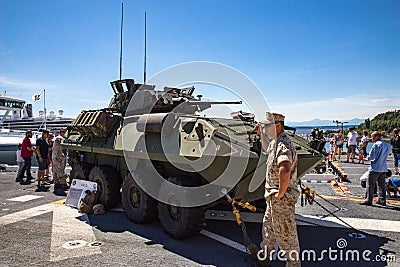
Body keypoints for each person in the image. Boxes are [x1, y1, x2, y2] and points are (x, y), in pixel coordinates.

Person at [254, 112, 301, 267]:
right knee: (268, 229)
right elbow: (268, 150)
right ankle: (264, 257)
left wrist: (280, 193)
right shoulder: (275, 142)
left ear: (277, 125)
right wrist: (262, 135)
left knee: (286, 235)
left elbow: (285, 168)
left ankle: (293, 264)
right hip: (273, 199)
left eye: (267, 126)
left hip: (281, 199)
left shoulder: (284, 144)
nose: (265, 127)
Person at [360, 131, 391, 206]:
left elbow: (372, 157)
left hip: (375, 167)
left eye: (373, 136)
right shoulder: (386, 145)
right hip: (383, 167)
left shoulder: (376, 145)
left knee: (370, 184)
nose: (372, 138)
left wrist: (365, 159)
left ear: (376, 136)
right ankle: (382, 200)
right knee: (381, 185)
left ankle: (368, 200)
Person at [52, 128, 68, 195]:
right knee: (60, 170)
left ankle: (57, 183)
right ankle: (63, 183)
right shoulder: (60, 138)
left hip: (55, 156)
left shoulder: (57, 138)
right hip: (59, 157)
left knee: (56, 170)